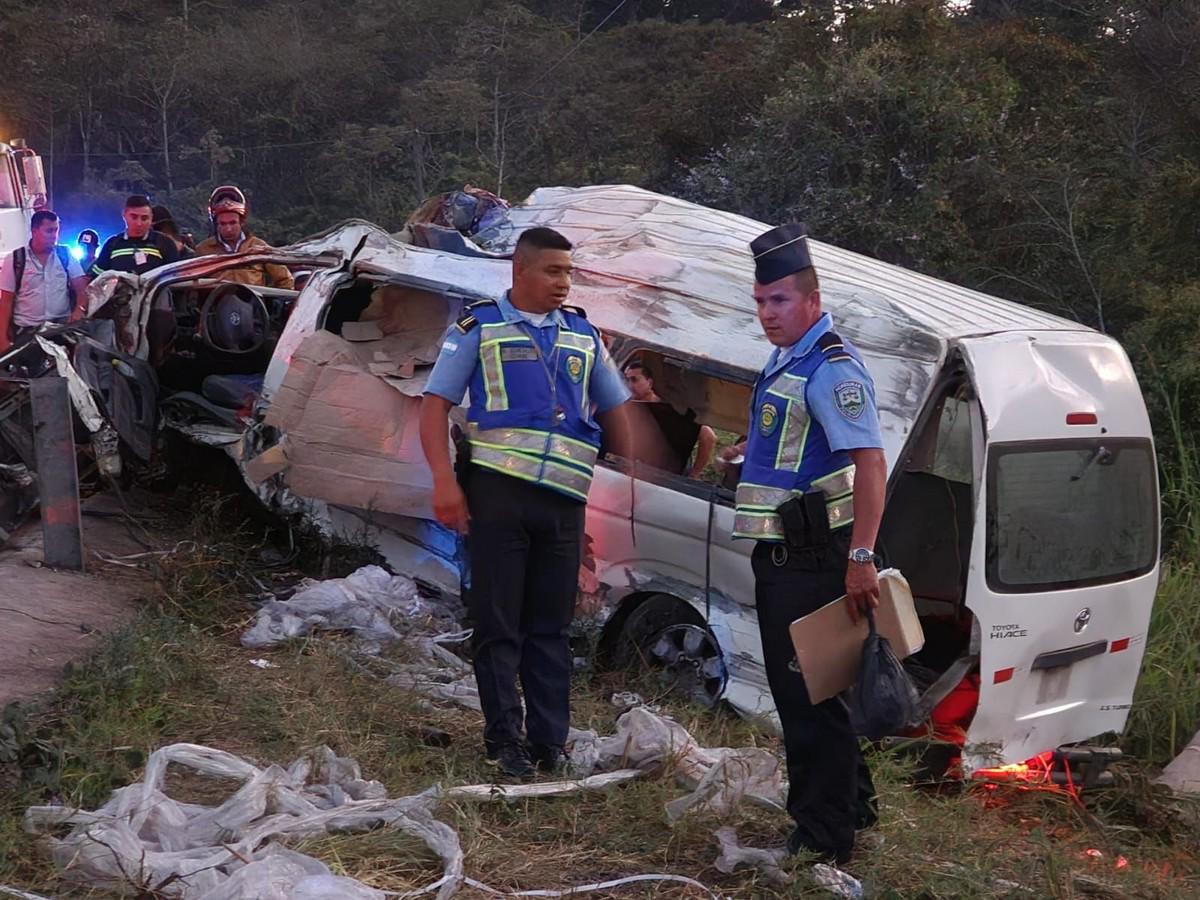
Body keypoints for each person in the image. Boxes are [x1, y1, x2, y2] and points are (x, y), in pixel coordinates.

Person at [419, 227, 632, 779]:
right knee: (497, 621)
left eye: (569, 272)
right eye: (553, 271)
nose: (565, 282)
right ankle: (504, 742)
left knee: (550, 626)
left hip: (563, 503)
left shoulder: (586, 335)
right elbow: (434, 406)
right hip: (497, 494)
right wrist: (445, 482)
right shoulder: (478, 325)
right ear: (520, 271)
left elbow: (616, 412)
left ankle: (548, 742)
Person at [725, 222, 886, 865]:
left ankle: (822, 837)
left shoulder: (831, 368)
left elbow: (870, 466)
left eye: (780, 301)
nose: (766, 314)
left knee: (807, 699)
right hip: (787, 554)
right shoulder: (788, 357)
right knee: (822, 692)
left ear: (812, 299)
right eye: (760, 302)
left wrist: (862, 558)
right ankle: (854, 806)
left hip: (815, 560)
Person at [0, 211, 91, 353]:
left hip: (60, 330)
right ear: (34, 231)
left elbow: (81, 289)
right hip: (26, 332)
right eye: (49, 231)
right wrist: (2, 339)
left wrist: (79, 310)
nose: (54, 236)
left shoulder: (65, 255)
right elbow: (6, 302)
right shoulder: (15, 259)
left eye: (56, 230)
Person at [622, 359, 716, 478]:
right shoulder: (627, 407)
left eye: (635, 380)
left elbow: (708, 437)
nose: (630, 385)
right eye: (627, 380)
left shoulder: (668, 410)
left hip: (667, 477)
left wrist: (694, 474)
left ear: (649, 383)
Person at [194, 185, 294, 290]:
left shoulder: (259, 247)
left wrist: (280, 302)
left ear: (242, 222)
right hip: (216, 303)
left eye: (233, 223)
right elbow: (192, 284)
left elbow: (285, 279)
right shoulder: (202, 250)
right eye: (223, 224)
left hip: (253, 303)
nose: (228, 229)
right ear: (215, 224)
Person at [91, 195, 181, 277]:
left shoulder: (164, 243)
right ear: (124, 215)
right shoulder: (112, 244)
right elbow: (97, 279)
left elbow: (175, 276)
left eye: (144, 218)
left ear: (151, 218)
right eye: (134, 217)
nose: (139, 223)